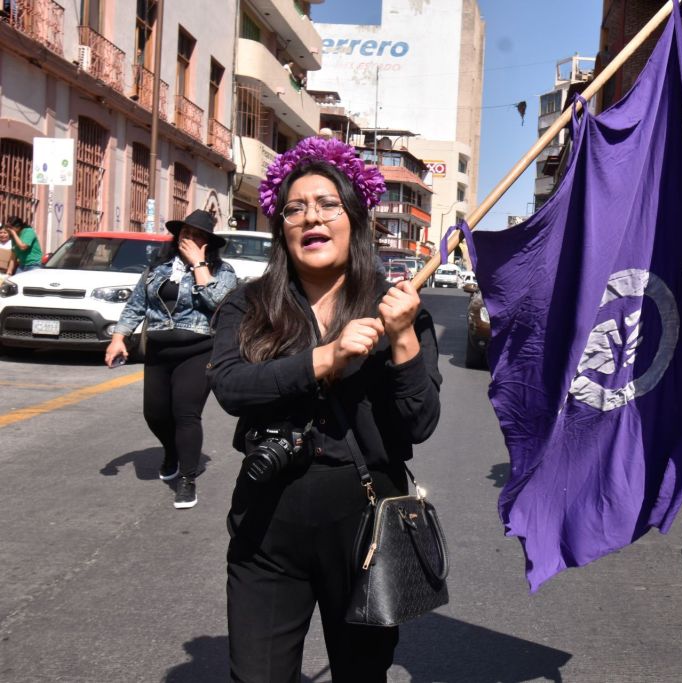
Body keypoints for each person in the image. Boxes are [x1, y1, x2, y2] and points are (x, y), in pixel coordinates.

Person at [207, 136, 440, 682]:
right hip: (266, 522)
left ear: (355, 220)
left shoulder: (394, 306)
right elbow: (233, 388)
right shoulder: (251, 302)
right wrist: (324, 358)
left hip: (365, 528)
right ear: (281, 228)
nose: (311, 217)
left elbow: (420, 423)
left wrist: (402, 337)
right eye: (295, 208)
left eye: (327, 204)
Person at [104, 210, 237, 509]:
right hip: (159, 350)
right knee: (155, 413)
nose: (189, 240)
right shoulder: (159, 268)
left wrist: (199, 266)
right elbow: (136, 304)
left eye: (198, 236)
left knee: (185, 413)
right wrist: (118, 338)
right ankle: (172, 452)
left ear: (208, 243)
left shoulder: (222, 270)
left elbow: (221, 305)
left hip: (199, 349)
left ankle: (187, 480)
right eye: (186, 234)